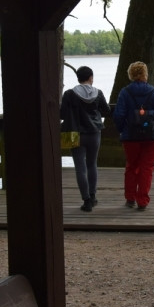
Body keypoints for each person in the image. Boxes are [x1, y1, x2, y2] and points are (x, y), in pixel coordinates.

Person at [113, 61, 154, 211]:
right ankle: (142, 200)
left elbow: (118, 115)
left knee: (132, 166)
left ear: (131, 74)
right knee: (147, 168)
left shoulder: (125, 92)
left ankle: (130, 198)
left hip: (130, 137)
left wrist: (122, 130)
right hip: (151, 137)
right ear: (145, 74)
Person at [60, 66, 111, 212]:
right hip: (94, 132)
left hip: (74, 134)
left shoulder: (69, 94)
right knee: (92, 164)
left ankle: (86, 201)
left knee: (80, 167)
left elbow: (62, 114)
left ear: (78, 78)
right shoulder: (98, 93)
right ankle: (93, 196)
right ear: (91, 77)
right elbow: (106, 110)